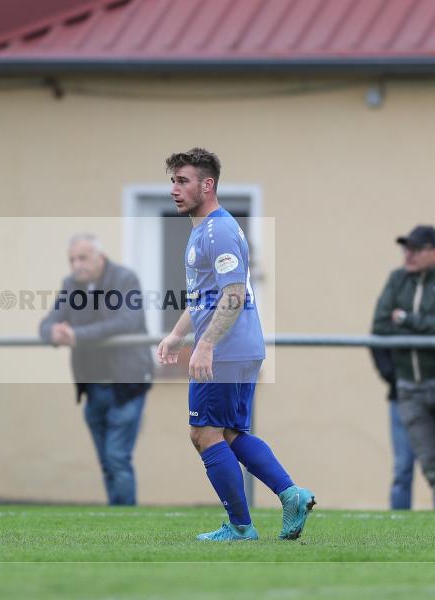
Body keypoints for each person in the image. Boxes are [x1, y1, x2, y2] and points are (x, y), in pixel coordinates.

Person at [157, 148, 314, 542]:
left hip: (226, 349)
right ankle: (291, 495)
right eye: (173, 181)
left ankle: (241, 527)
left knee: (203, 433)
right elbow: (204, 296)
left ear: (207, 185)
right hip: (239, 346)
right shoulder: (206, 230)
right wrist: (177, 335)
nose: (174, 189)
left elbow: (233, 295)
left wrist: (206, 345)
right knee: (227, 432)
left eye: (183, 181)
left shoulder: (218, 231)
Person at [38, 234, 153, 506]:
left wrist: (77, 335)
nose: (76, 265)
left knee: (116, 458)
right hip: (92, 387)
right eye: (72, 260)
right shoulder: (70, 285)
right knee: (107, 462)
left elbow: (127, 321)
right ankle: (116, 520)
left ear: (99, 257)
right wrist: (52, 332)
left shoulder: (125, 279)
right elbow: (48, 323)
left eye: (82, 258)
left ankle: (126, 522)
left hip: (127, 384)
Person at [372, 225, 435, 509]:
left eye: (416, 249)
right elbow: (380, 326)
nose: (409, 254)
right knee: (431, 466)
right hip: (409, 388)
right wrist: (393, 373)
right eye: (407, 248)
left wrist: (407, 320)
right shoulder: (397, 279)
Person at [371, 347, 419, 509]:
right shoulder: (388, 327)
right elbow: (378, 342)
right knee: (403, 467)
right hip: (401, 397)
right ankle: (399, 519)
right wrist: (398, 377)